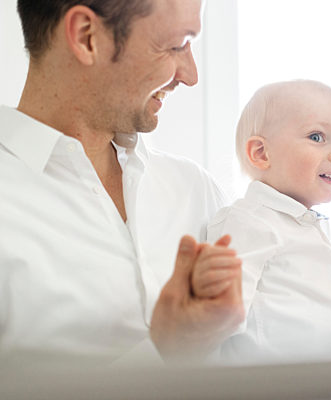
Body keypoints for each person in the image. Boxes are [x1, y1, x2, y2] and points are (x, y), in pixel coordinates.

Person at [0, 0, 244, 364]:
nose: (190, 75)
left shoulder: (195, 190)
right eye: (176, 45)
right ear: (86, 37)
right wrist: (167, 351)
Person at [206, 80, 331, 363]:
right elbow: (217, 319)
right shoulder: (248, 221)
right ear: (261, 153)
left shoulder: (304, 226)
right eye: (317, 137)